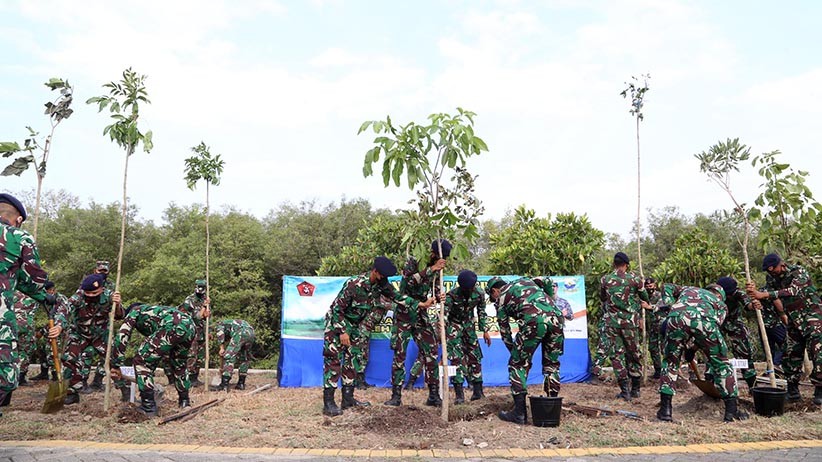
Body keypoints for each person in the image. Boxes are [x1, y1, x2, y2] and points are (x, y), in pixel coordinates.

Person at [322, 256, 435, 416]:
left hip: (355, 326)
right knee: (333, 361)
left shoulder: (381, 285)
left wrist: (420, 304)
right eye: (382, 275)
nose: (384, 279)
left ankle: (348, 399)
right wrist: (342, 332)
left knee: (352, 361)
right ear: (375, 271)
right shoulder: (354, 284)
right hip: (337, 324)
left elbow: (397, 296)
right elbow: (336, 309)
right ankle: (328, 404)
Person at [0, 193, 57, 416]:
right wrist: (45, 295)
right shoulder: (19, 237)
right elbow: (34, 279)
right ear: (18, 219)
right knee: (6, 375)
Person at [657, 284, 749, 422]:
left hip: (676, 318)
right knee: (721, 363)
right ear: (721, 296)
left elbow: (667, 287)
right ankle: (731, 411)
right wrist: (695, 347)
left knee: (670, 362)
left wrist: (670, 305)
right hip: (705, 321)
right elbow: (712, 329)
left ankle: (665, 411)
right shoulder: (721, 305)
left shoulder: (688, 289)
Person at [486, 276, 564, 425]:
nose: (494, 299)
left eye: (492, 296)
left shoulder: (501, 298)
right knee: (552, 364)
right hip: (557, 319)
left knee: (517, 365)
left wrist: (515, 354)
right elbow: (547, 280)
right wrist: (550, 300)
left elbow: (505, 331)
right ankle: (551, 411)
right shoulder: (526, 281)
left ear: (495, 290)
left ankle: (519, 413)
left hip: (534, 321)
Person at [747, 253, 822, 404]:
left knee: (818, 354)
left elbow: (793, 291)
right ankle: (793, 391)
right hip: (794, 320)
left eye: (773, 269)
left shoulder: (798, 272)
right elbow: (768, 294)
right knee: (791, 354)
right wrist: (754, 293)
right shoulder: (772, 278)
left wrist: (764, 294)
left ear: (781, 265)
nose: (771, 273)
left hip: (812, 318)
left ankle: (820, 391)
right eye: (768, 271)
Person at [388, 239, 449, 407]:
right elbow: (408, 283)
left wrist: (439, 296)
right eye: (441, 257)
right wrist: (431, 269)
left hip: (421, 315)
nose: (442, 260)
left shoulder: (437, 267)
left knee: (431, 350)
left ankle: (433, 395)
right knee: (400, 354)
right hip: (404, 313)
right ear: (433, 253)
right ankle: (396, 396)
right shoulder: (414, 261)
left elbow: (435, 287)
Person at [111, 303, 200, 415]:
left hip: (172, 325)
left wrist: (115, 365)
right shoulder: (156, 310)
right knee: (179, 363)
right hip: (189, 326)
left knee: (141, 361)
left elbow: (121, 337)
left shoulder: (134, 311)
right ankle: (184, 401)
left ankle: (148, 407)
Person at [53, 273, 123, 404]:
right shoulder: (78, 296)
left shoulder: (110, 296)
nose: (90, 295)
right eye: (88, 293)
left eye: (94, 293)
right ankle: (72, 393)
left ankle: (127, 391)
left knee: (114, 361)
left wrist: (117, 304)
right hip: (79, 333)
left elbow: (119, 316)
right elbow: (65, 309)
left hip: (101, 334)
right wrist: (59, 326)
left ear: (102, 289)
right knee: (69, 359)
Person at [600, 252, 649, 400]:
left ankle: (624, 390)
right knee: (634, 353)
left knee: (617, 355)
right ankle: (636, 389)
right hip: (630, 323)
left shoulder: (605, 279)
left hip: (613, 324)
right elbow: (645, 297)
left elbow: (603, 298)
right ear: (627, 264)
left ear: (614, 264)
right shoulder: (635, 279)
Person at [442, 270, 489, 404]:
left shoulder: (479, 293)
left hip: (469, 325)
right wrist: (443, 330)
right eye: (466, 289)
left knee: (475, 356)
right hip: (454, 325)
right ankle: (459, 394)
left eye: (471, 288)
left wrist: (485, 330)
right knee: (456, 358)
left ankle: (478, 392)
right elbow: (444, 315)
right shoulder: (451, 295)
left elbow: (481, 312)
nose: (469, 290)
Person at [715, 277, 759, 390]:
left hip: (735, 325)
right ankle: (714, 383)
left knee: (744, 354)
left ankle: (752, 386)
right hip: (717, 324)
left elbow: (747, 304)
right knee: (715, 352)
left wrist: (753, 305)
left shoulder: (738, 293)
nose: (729, 296)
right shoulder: (713, 295)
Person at [179, 279, 210, 387]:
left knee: (200, 356)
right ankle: (188, 379)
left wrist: (208, 331)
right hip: (191, 331)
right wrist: (204, 307)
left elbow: (205, 318)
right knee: (191, 355)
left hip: (201, 332)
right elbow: (196, 317)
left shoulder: (205, 299)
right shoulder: (189, 300)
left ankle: (195, 378)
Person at [212, 319, 255, 391]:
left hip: (240, 333)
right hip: (251, 333)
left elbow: (220, 335)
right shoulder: (231, 324)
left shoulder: (220, 324)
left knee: (229, 357)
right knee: (244, 358)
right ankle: (241, 384)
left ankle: (224, 385)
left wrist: (221, 348)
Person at [11, 292, 37, 386]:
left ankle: (10, 376)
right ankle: (20, 377)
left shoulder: (12, 291)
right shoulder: (33, 292)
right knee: (26, 350)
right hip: (26, 324)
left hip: (11, 323)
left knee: (11, 349)